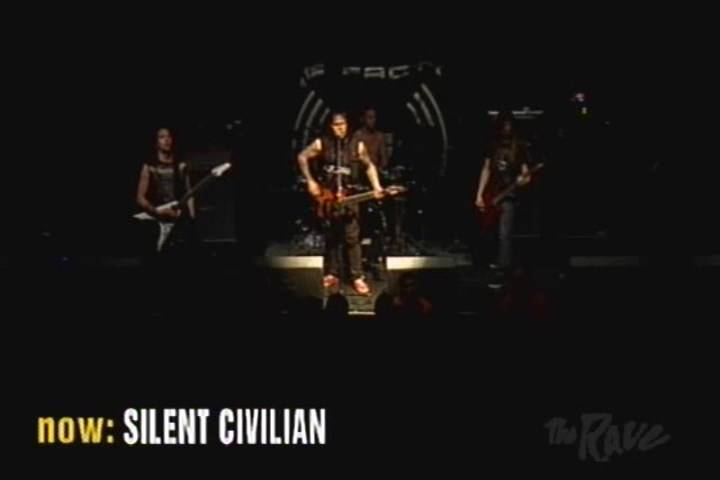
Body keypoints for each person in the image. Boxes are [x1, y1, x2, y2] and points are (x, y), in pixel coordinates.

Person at [297, 112, 389, 295]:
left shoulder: (357, 144)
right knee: (332, 235)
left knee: (352, 236)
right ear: (330, 126)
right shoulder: (322, 143)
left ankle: (357, 276)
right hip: (329, 197)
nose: (339, 128)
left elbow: (369, 166)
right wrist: (311, 181)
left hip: (350, 196)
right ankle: (332, 273)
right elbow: (302, 157)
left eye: (342, 124)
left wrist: (377, 186)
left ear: (347, 125)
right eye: (335, 125)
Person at [475, 113, 533, 286]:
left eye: (509, 126)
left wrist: (523, 180)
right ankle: (493, 262)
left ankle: (503, 268)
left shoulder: (519, 146)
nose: (506, 129)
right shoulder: (492, 145)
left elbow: (526, 174)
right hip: (492, 193)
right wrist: (479, 194)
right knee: (490, 231)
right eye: (504, 126)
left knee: (504, 233)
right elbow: (486, 169)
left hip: (509, 195)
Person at [135, 127, 196, 258]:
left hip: (177, 215)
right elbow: (140, 198)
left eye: (169, 136)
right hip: (156, 216)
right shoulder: (149, 166)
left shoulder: (181, 165)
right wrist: (157, 212)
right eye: (162, 137)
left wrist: (192, 219)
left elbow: (189, 193)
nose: (166, 140)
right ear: (156, 142)